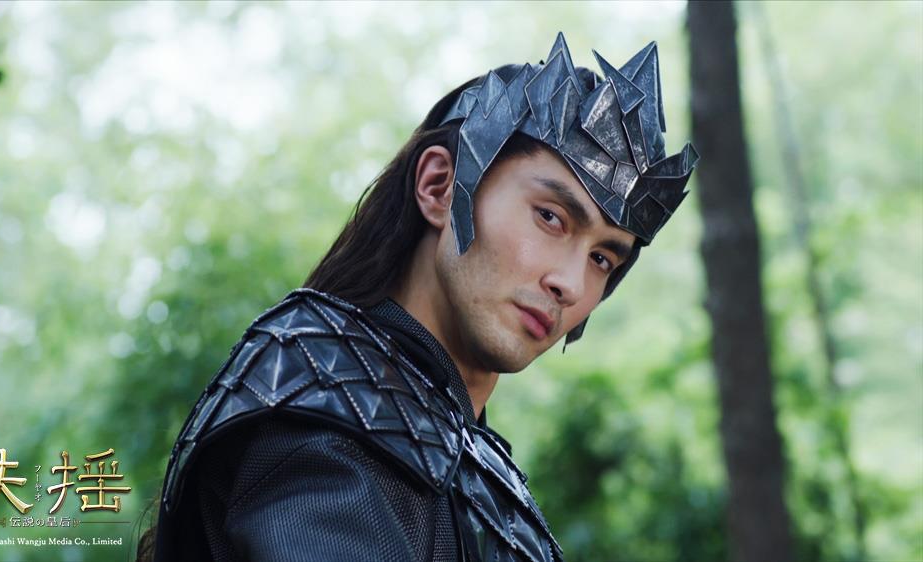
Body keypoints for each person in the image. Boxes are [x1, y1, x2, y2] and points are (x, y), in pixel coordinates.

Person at [144, 32, 697, 562]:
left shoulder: (479, 468)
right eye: (550, 217)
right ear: (439, 186)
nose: (571, 284)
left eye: (602, 259)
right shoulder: (322, 409)